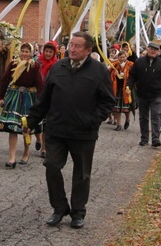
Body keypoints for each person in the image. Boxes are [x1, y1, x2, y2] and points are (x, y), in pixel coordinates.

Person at [24, 32, 115, 229]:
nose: (72, 49)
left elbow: (108, 101)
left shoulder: (98, 71)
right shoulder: (58, 67)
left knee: (82, 174)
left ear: (88, 50)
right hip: (56, 129)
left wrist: (93, 120)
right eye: (71, 45)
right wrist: (31, 121)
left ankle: (77, 212)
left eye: (77, 46)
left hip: (84, 133)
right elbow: (44, 99)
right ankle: (59, 208)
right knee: (52, 166)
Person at [0, 43, 44, 168]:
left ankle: (26, 151)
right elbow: (4, 80)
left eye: (27, 51)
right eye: (22, 51)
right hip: (14, 96)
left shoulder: (34, 66)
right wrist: (1, 97)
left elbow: (40, 84)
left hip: (28, 97)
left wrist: (40, 101)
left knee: (25, 127)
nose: (24, 53)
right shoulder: (13, 64)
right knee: (12, 128)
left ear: (31, 53)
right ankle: (12, 157)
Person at [127, 41, 161, 148]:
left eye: (155, 50)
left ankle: (155, 138)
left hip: (157, 94)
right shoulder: (139, 62)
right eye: (151, 49)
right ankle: (144, 138)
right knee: (143, 117)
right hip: (142, 94)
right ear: (147, 49)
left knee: (156, 116)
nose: (152, 51)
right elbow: (132, 76)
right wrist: (128, 86)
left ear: (157, 52)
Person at [34, 41, 59, 156]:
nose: (48, 54)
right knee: (35, 121)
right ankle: (38, 138)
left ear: (54, 53)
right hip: (36, 94)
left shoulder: (57, 65)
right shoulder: (37, 62)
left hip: (50, 96)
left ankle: (44, 147)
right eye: (46, 51)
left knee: (46, 123)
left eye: (50, 52)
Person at [109, 50, 134, 131]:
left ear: (126, 57)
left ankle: (127, 119)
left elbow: (133, 76)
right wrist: (114, 74)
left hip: (126, 88)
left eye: (123, 57)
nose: (122, 59)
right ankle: (119, 124)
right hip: (117, 88)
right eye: (120, 57)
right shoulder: (114, 65)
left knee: (126, 108)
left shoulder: (130, 65)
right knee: (116, 108)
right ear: (118, 57)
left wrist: (126, 75)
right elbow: (109, 74)